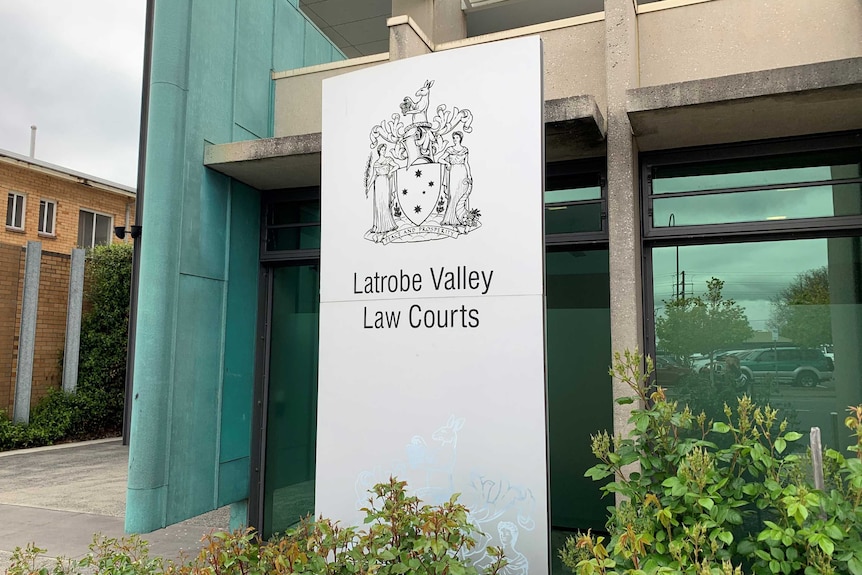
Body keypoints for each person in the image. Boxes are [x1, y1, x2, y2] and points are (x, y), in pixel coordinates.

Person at [441, 131, 472, 228]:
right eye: (454, 138)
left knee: (462, 194)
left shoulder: (465, 150)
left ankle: (462, 217)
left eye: (457, 137)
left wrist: (469, 175)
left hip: (463, 172)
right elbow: (440, 159)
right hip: (453, 172)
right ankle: (451, 219)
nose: (455, 139)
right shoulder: (450, 149)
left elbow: (466, 163)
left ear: (460, 138)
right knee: (453, 194)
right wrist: (447, 163)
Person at [367, 144, 397, 239]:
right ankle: (379, 226)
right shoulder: (376, 163)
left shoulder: (388, 159)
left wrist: (390, 171)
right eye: (382, 150)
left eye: (385, 149)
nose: (384, 151)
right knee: (378, 204)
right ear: (379, 151)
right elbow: (373, 176)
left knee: (384, 203)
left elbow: (397, 165)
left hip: (385, 181)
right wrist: (368, 186)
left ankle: (387, 225)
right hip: (378, 183)